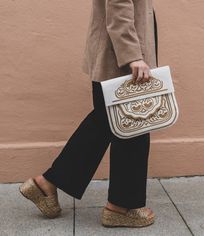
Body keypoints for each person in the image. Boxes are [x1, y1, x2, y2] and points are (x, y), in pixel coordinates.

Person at [19, 0, 158, 228]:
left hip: (117, 54)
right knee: (132, 126)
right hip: (121, 58)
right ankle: (120, 207)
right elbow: (118, 6)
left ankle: (48, 184)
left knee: (107, 123)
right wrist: (133, 55)